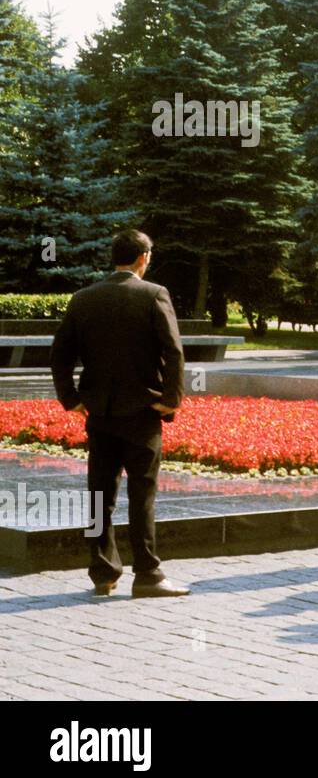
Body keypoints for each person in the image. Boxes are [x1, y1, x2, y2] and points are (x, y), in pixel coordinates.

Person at [50, 229, 188, 598]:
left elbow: (60, 355)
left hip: (100, 414)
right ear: (143, 257)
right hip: (142, 411)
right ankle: (147, 574)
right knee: (141, 493)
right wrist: (171, 399)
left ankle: (102, 573)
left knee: (99, 494)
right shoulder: (154, 294)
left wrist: (72, 399)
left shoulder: (83, 299)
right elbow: (173, 352)